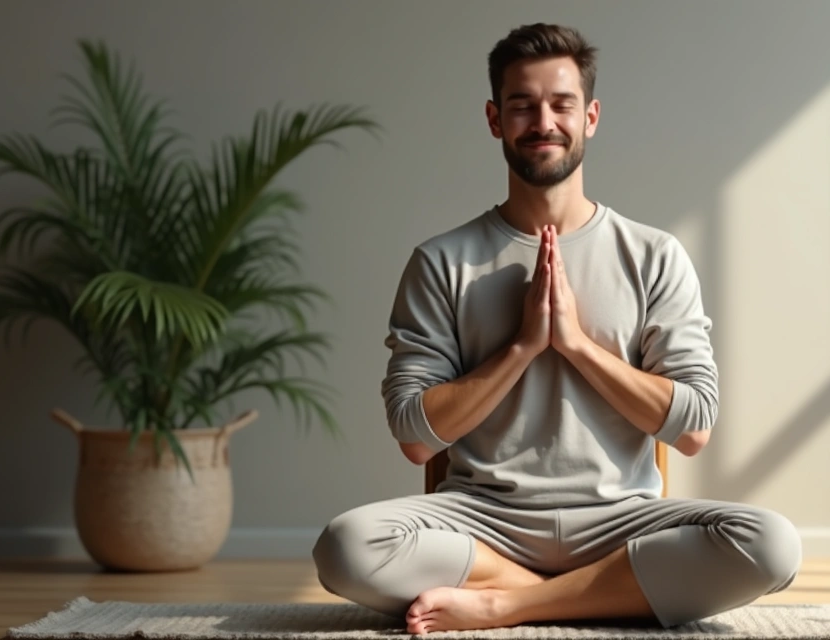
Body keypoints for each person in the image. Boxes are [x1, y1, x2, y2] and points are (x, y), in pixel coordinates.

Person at [312, 22, 802, 635]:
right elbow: (415, 435)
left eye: (561, 104)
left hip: (618, 522)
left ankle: (505, 605)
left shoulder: (654, 254)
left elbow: (695, 424)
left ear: (590, 117)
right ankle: (599, 597)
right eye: (522, 105)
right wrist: (522, 347)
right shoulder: (442, 260)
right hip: (482, 519)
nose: (543, 121)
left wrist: (574, 344)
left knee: (771, 545)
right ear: (495, 119)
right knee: (345, 545)